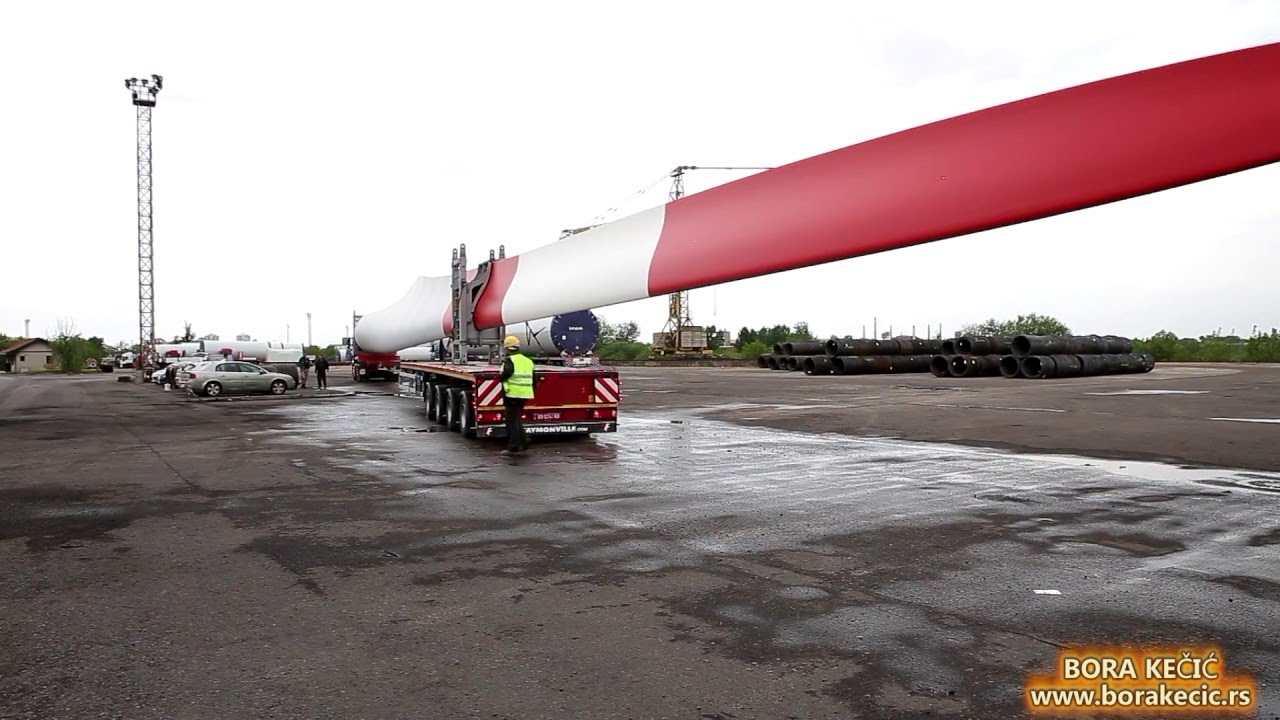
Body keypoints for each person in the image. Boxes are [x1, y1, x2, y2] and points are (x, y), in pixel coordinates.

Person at [499, 335, 536, 455]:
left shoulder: (510, 360)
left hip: (513, 395)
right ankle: (524, 442)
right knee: (516, 419)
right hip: (525, 394)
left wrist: (501, 377)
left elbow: (508, 373)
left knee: (512, 421)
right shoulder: (528, 361)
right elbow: (534, 379)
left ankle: (514, 446)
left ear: (507, 348)